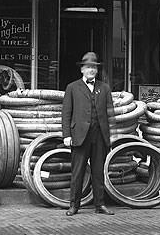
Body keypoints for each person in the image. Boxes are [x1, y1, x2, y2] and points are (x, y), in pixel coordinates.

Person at [62, 51, 115, 216]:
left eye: (94, 67)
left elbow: (110, 113)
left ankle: (100, 205)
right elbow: (66, 113)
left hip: (100, 136)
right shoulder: (72, 87)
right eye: (88, 67)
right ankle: (74, 205)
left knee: (98, 172)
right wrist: (66, 135)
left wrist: (111, 134)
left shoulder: (104, 88)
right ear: (82, 70)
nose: (91, 70)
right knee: (77, 173)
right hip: (79, 136)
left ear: (97, 71)